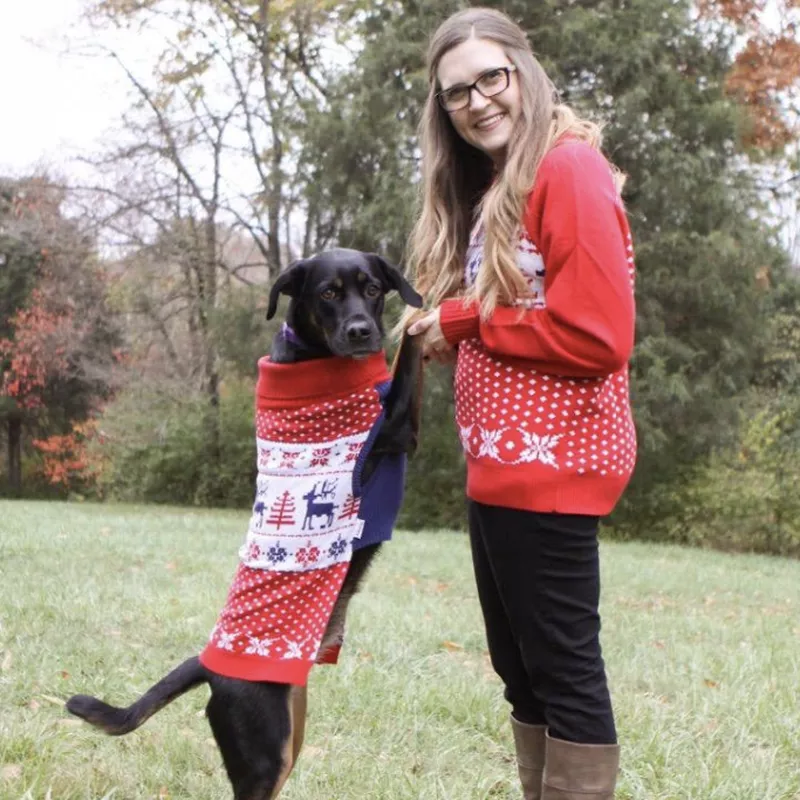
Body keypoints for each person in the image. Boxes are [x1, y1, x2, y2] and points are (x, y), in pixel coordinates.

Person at [405, 7, 637, 799]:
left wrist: (465, 319)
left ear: (525, 72)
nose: (476, 102)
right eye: (456, 93)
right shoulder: (503, 183)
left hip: (555, 466)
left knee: (564, 675)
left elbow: (598, 335)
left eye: (490, 78)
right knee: (524, 675)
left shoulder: (566, 169)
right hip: (501, 469)